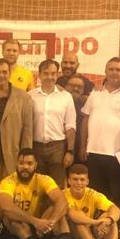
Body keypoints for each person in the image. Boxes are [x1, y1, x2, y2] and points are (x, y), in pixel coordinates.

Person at [0, 148, 89, 239]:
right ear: (16, 164)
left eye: (29, 163)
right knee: (11, 217)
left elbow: (62, 201)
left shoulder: (44, 180)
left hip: (38, 231)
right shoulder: (8, 181)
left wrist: (51, 222)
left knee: (57, 210)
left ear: (35, 165)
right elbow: (6, 207)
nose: (25, 167)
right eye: (21, 163)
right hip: (11, 238)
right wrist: (36, 221)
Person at [79, 57, 120, 231]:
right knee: (95, 194)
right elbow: (85, 120)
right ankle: (96, 228)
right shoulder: (95, 92)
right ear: (105, 71)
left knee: (116, 195)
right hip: (93, 152)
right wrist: (83, 146)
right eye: (111, 69)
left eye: (118, 70)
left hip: (116, 154)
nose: (115, 73)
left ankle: (117, 228)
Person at [29, 59, 76, 187]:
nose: (50, 77)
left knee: (57, 187)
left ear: (57, 75)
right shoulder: (30, 96)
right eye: (46, 73)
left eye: (53, 73)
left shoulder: (66, 96)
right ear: (39, 75)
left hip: (58, 148)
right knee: (37, 187)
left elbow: (70, 125)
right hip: (36, 147)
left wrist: (70, 151)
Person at [64, 74, 88, 164]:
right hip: (60, 148)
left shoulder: (87, 105)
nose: (75, 89)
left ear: (83, 90)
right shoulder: (58, 103)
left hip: (80, 148)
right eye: (72, 85)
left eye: (79, 87)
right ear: (65, 87)